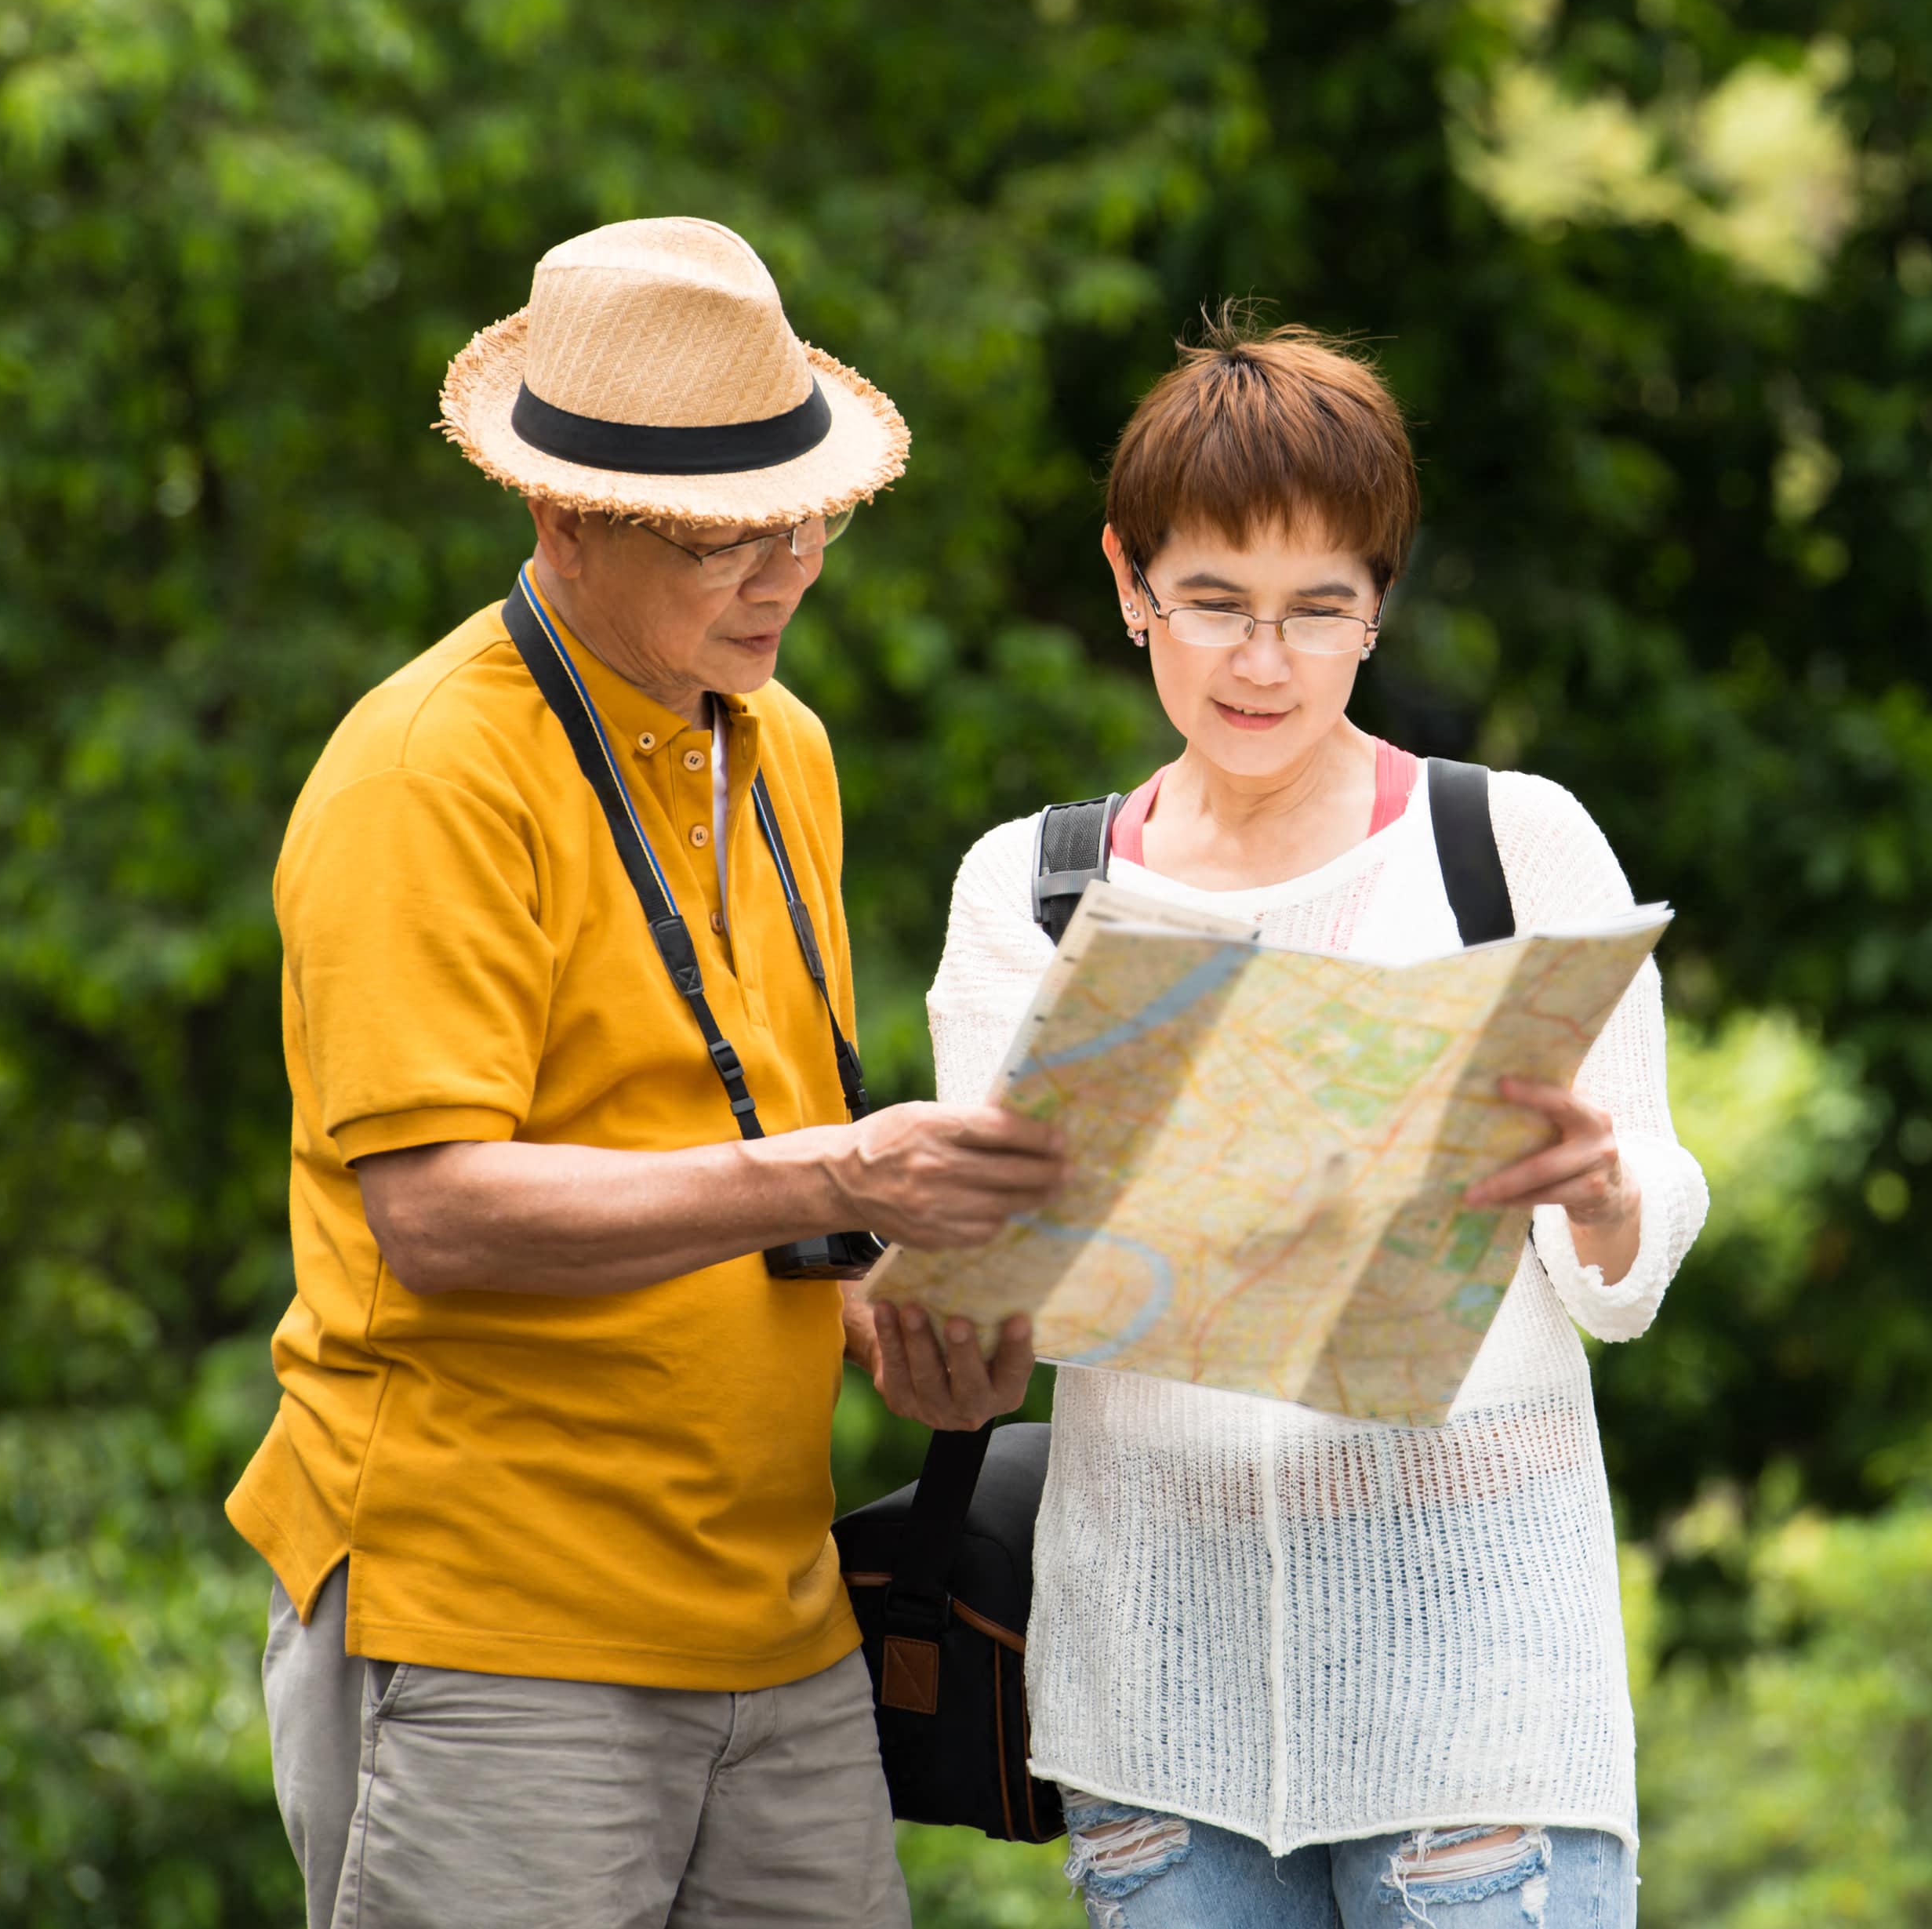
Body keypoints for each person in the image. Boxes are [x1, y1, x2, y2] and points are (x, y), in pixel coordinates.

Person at [227, 216, 1070, 1929]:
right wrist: (840, 1178)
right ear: (562, 518)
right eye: (721, 542)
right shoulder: (428, 769)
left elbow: (724, 1136)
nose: (786, 572)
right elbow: (439, 1214)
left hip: (779, 1618)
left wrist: (889, 1311)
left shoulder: (784, 747)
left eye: (807, 520)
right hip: (493, 1625)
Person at [925, 321, 1708, 1929]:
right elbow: (992, 1273)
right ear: (1128, 579)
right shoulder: (1036, 888)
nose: (1259, 662)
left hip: (1481, 1692)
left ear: (1378, 606)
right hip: (1157, 1712)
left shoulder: (1510, 844)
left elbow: (1632, 1255)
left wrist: (1603, 1191)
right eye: (1210, 602)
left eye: (1315, 611)